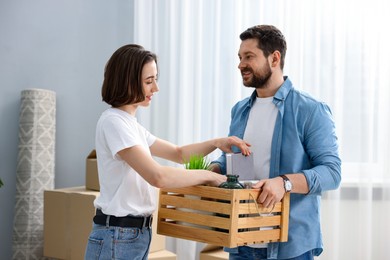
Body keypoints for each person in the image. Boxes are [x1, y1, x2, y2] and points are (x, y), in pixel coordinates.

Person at [84, 44, 251, 260]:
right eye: (148, 81)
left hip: (131, 234)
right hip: (118, 234)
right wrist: (211, 176)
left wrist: (217, 142)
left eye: (155, 79)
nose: (156, 88)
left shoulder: (130, 125)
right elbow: (158, 176)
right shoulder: (114, 122)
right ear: (127, 81)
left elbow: (179, 153)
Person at [209, 25, 341, 260]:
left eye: (249, 56)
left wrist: (284, 183)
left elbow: (332, 173)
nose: (240, 64)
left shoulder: (310, 110)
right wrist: (213, 170)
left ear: (274, 58)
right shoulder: (239, 110)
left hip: (289, 246)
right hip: (241, 242)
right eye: (240, 57)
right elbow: (236, 159)